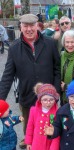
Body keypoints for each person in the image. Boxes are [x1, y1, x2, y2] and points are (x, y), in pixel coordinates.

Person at [0, 14, 60, 149]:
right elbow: (8, 75)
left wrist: (56, 93)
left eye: (32, 25)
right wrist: (0, 100)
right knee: (30, 131)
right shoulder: (15, 48)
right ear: (20, 27)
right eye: (25, 26)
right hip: (27, 97)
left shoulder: (50, 43)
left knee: (49, 131)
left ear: (37, 26)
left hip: (49, 98)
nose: (29, 29)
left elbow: (57, 69)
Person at [25, 83, 60, 150]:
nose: (48, 103)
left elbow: (57, 134)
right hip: (36, 143)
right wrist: (29, 142)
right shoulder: (33, 110)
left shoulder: (57, 112)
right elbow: (30, 127)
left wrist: (54, 148)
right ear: (40, 100)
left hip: (49, 144)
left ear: (55, 99)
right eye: (45, 100)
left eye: (51, 100)